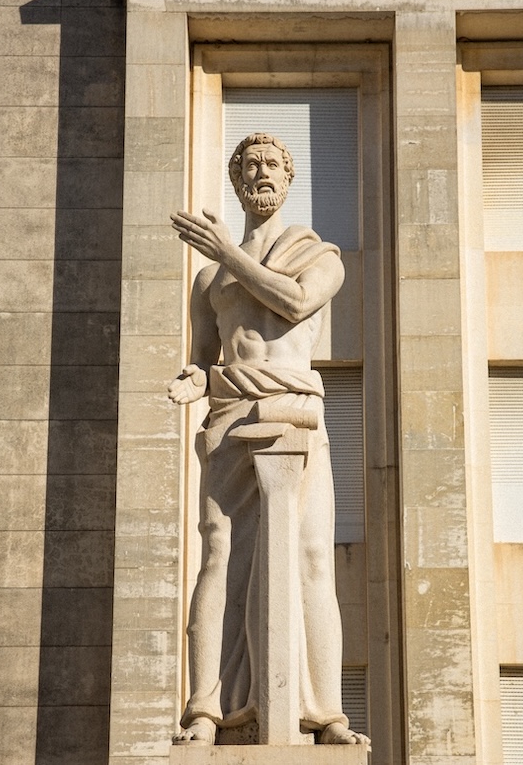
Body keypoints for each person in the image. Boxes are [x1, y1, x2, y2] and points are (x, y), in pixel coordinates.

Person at [168, 133, 368, 746]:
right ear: (236, 181)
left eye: (271, 164)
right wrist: (193, 377)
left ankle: (326, 712)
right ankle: (205, 710)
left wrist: (229, 252)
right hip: (230, 414)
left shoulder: (318, 254)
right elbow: (206, 355)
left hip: (294, 409)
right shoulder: (209, 279)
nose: (260, 172)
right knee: (219, 555)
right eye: (249, 165)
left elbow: (296, 303)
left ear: (288, 177)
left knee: (311, 558)